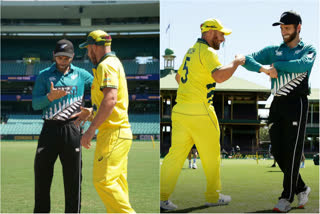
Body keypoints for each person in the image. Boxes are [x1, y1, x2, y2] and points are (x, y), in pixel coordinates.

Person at [160, 18, 245, 210]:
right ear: (209, 32)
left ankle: (162, 197)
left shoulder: (190, 51)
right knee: (212, 155)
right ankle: (212, 196)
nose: (223, 38)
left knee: (174, 156)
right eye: (220, 33)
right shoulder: (207, 52)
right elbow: (220, 76)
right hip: (201, 110)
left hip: (180, 110)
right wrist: (236, 62)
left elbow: (178, 77)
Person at [242, 11, 316, 212]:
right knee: (277, 150)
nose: (283, 32)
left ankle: (286, 198)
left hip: (297, 104)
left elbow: (304, 64)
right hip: (277, 103)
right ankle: (302, 187)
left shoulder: (308, 49)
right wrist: (264, 70)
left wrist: (276, 66)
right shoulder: (274, 49)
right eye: (282, 28)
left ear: (298, 28)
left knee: (292, 152)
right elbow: (247, 59)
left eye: (287, 28)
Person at [75, 30, 135, 213]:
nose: (87, 53)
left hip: (113, 133)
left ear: (94, 47)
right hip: (119, 133)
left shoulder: (105, 66)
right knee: (117, 183)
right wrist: (91, 113)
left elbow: (111, 100)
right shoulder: (114, 62)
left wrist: (91, 129)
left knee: (103, 181)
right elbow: (109, 102)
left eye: (88, 49)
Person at [32, 39, 93, 213]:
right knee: (42, 177)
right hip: (49, 129)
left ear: (73, 56)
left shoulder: (82, 75)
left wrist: (90, 109)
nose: (63, 61)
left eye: (66, 57)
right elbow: (35, 104)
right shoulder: (44, 75)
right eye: (59, 57)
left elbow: (102, 91)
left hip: (72, 128)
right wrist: (49, 98)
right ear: (54, 56)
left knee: (73, 179)